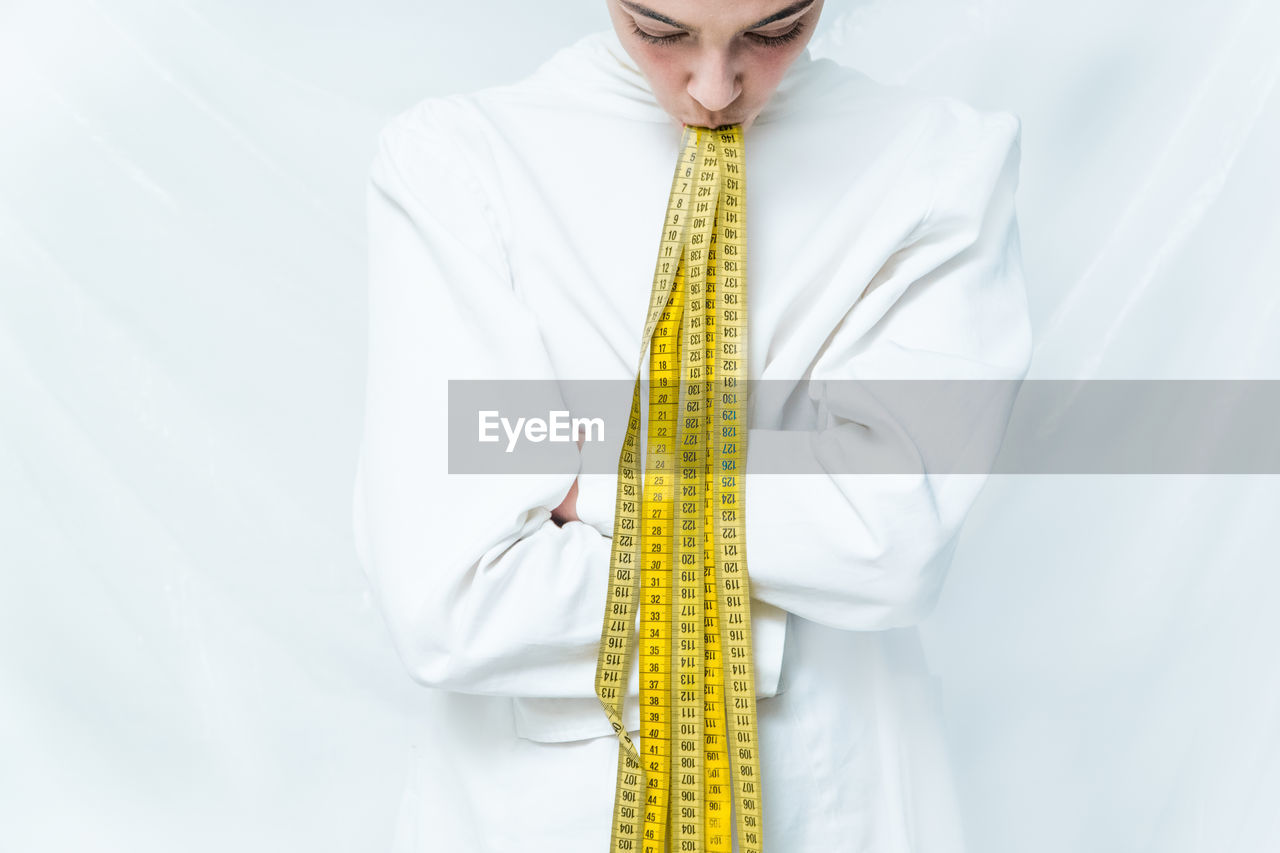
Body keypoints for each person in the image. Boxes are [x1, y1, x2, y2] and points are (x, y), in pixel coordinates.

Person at [352, 0, 1033, 850]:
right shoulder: (456, 165)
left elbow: (890, 534)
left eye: (775, 31)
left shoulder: (941, 164)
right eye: (662, 31)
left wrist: (595, 468)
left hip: (841, 808)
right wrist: (785, 589)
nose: (714, 89)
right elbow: (451, 602)